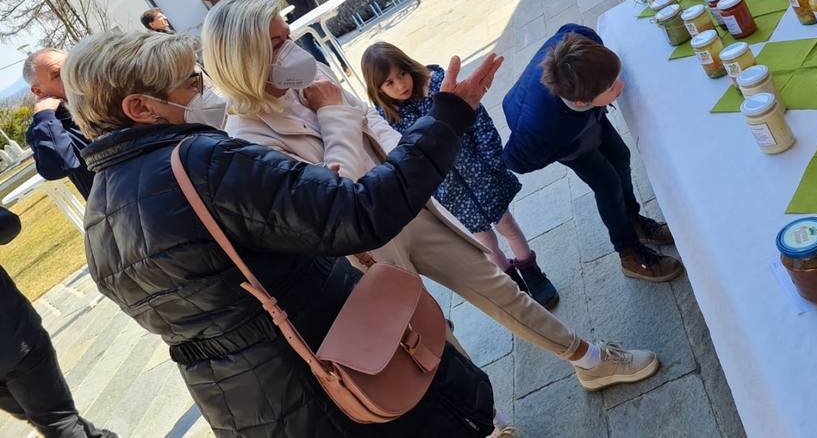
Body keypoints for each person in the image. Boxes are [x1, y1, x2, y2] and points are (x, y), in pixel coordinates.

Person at [202, 0, 661, 405]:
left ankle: (589, 359)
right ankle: (482, 419)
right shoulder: (248, 137)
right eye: (277, 44)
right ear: (244, 59)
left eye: (288, 37)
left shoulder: (310, 77)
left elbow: (372, 122)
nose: (292, 51)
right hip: (367, 245)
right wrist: (332, 113)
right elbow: (333, 191)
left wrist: (407, 167)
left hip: (408, 206)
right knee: (425, 331)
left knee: (495, 286)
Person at [61, 28, 500, 438]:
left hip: (254, 412)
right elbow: (356, 213)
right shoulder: (200, 162)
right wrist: (446, 119)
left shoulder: (97, 223)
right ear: (141, 107)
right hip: (349, 373)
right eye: (191, 81)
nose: (204, 89)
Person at [361, 42, 558, 309]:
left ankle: (532, 272)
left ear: (409, 66)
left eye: (402, 74)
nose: (400, 85)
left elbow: (479, 122)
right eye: (389, 83)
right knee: (485, 241)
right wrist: (433, 192)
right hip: (450, 194)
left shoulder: (439, 86)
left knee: (507, 224)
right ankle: (513, 285)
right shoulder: (388, 119)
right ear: (378, 89)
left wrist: (492, 161)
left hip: (482, 173)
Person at [503, 24, 685, 284]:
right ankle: (628, 253)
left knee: (620, 155)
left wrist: (603, 89)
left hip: (584, 115)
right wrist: (560, 149)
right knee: (607, 183)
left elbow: (569, 29)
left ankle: (632, 220)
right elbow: (516, 160)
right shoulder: (545, 128)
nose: (621, 85)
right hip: (566, 139)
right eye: (612, 88)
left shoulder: (582, 41)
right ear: (581, 102)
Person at [0, 205, 117, 438]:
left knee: (46, 416)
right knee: (57, 421)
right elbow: (7, 223)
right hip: (15, 342)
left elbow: (8, 224)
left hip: (14, 341)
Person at [23, 49, 93, 200]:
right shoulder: (44, 127)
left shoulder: (104, 96)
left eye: (70, 67)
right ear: (38, 91)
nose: (70, 76)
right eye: (57, 75)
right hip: (119, 205)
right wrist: (45, 117)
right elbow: (58, 167)